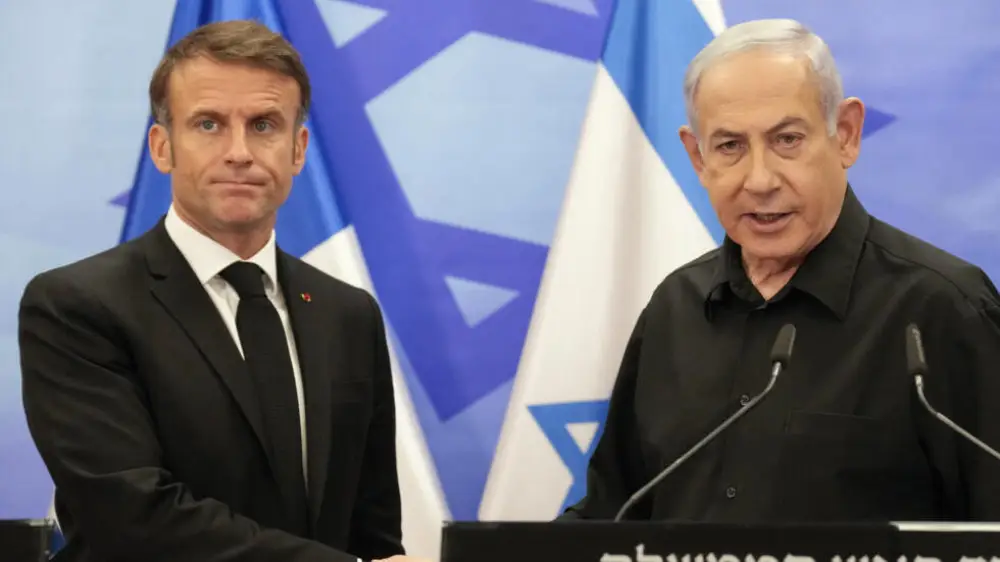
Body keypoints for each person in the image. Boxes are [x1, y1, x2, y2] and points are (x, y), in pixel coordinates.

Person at [561, 18, 1000, 522]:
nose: (760, 180)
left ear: (846, 135)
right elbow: (612, 517)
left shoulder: (942, 309)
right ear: (698, 158)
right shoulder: (675, 308)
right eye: (729, 146)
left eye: (787, 139)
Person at [19, 20, 424, 562]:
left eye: (263, 125)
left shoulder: (348, 315)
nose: (239, 152)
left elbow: (372, 531)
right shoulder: (77, 307)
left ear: (298, 149)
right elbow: (132, 519)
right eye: (208, 124)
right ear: (162, 147)